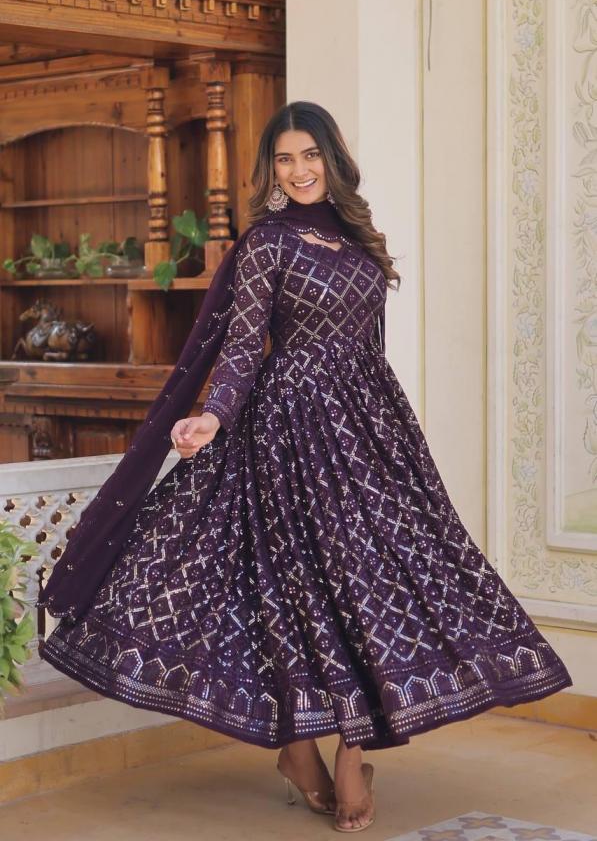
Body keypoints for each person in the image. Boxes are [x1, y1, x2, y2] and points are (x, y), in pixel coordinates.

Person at [39, 102, 573, 834]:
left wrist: (389, 435)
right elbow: (242, 345)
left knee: (377, 580)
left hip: (370, 425)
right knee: (296, 591)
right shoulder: (268, 242)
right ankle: (303, 749)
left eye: (310, 155)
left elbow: (370, 342)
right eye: (285, 159)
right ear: (271, 171)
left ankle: (352, 751)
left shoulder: (357, 235)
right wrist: (213, 415)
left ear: (333, 157)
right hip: (290, 430)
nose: (298, 170)